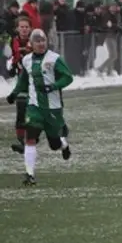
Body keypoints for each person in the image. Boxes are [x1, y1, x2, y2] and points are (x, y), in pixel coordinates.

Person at [5, 29, 73, 186]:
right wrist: (14, 94)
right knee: (30, 137)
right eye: (38, 41)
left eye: (43, 40)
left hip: (53, 108)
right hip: (34, 107)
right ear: (31, 43)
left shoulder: (55, 59)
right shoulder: (27, 60)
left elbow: (68, 77)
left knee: (54, 145)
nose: (41, 43)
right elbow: (23, 81)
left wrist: (54, 86)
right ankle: (30, 175)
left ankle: (63, 143)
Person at [7, 16, 33, 154]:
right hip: (22, 81)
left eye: (26, 27)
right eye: (21, 27)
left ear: (30, 28)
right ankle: (22, 141)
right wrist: (12, 65)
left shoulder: (35, 39)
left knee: (35, 112)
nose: (24, 29)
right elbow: (14, 56)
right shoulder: (14, 41)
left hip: (35, 82)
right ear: (17, 28)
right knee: (21, 110)